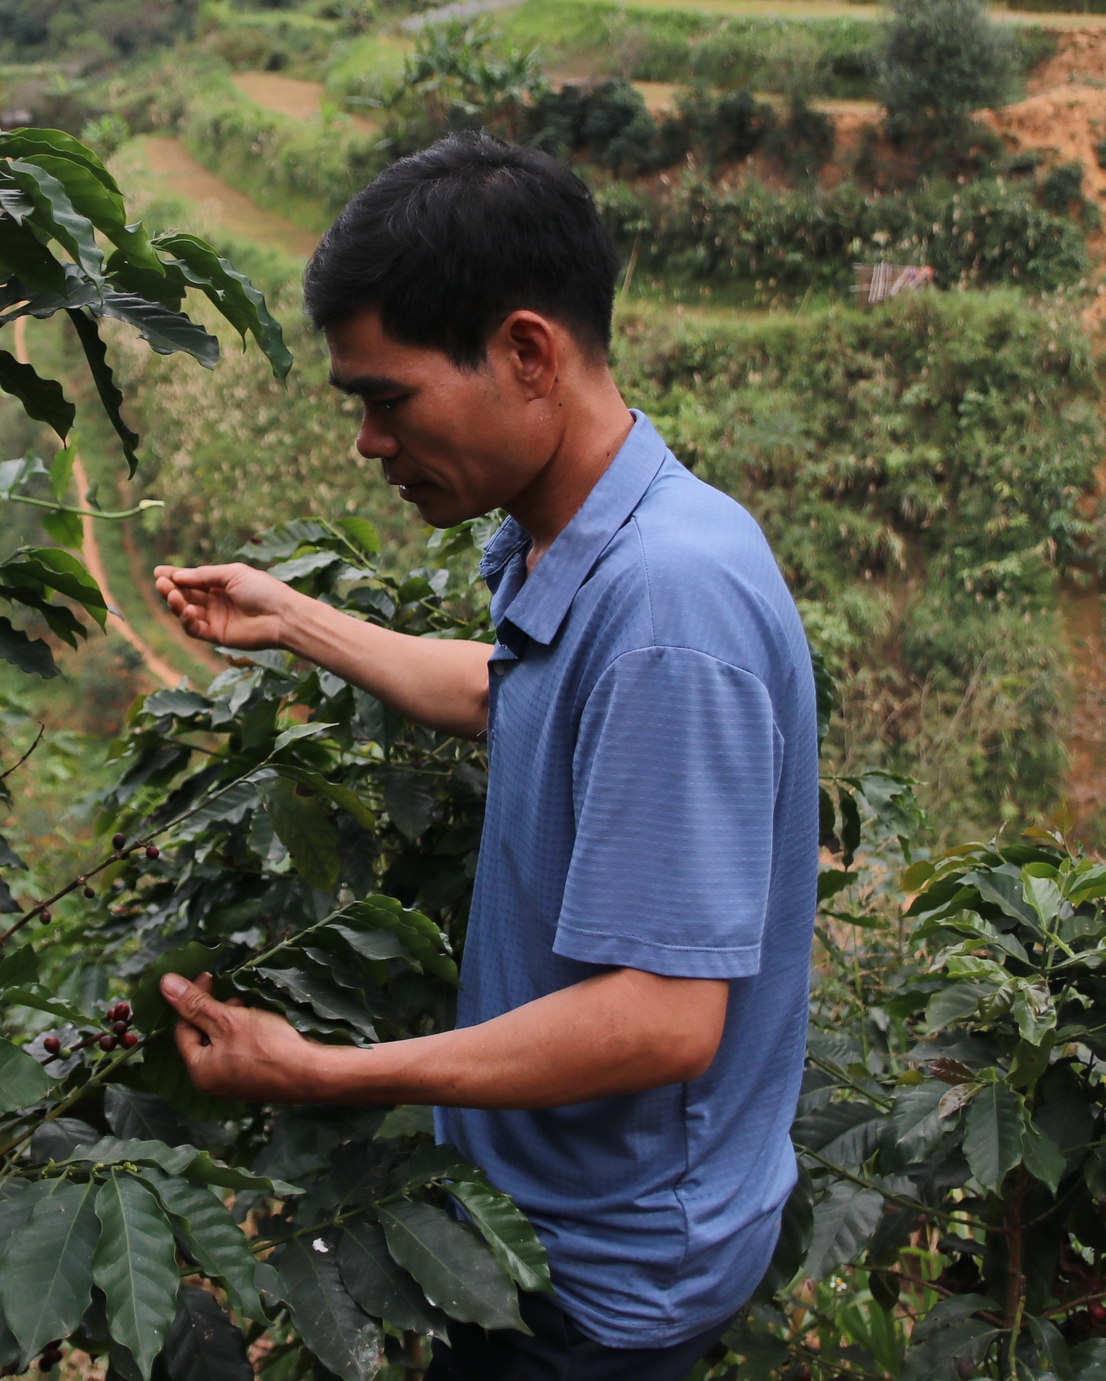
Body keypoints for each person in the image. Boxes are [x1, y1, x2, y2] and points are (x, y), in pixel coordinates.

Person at [150, 135, 821, 1381]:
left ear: (525, 353)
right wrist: (292, 617)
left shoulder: (670, 607)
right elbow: (518, 696)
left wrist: (324, 1074)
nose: (368, 442)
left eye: (386, 398)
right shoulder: (606, 534)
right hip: (567, 1227)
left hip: (601, 1281)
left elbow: (663, 1020)